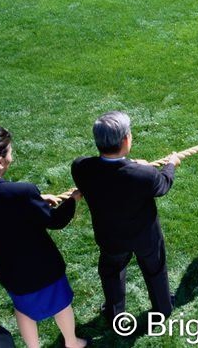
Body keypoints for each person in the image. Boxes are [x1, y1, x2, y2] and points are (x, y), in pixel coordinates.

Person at [0, 126, 86, 348]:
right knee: (61, 305)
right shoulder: (23, 192)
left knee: (23, 310)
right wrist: (72, 200)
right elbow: (55, 221)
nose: (12, 155)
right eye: (10, 152)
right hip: (43, 267)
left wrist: (38, 199)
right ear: (0, 162)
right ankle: (72, 342)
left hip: (9, 270)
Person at [71, 111, 180, 322]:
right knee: (155, 269)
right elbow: (163, 184)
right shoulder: (144, 175)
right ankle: (163, 308)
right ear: (125, 139)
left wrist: (134, 164)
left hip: (110, 236)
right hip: (145, 236)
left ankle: (114, 311)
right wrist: (171, 164)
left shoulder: (81, 167)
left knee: (111, 272)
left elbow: (111, 175)